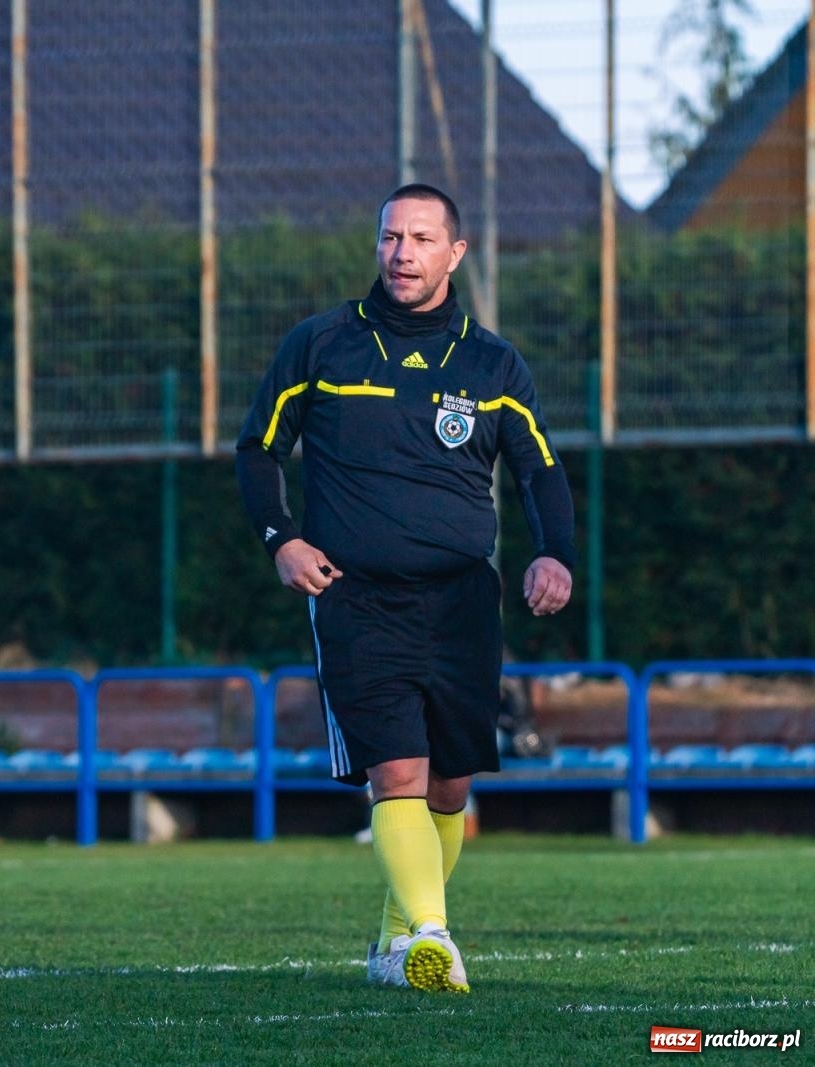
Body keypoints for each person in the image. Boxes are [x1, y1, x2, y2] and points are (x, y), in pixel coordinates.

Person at [234, 183, 574, 995]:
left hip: (462, 600)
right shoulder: (321, 344)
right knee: (398, 772)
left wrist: (554, 553)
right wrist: (282, 539)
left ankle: (396, 939)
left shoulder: (492, 362)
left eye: (422, 239)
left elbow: (539, 470)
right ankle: (431, 933)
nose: (402, 253)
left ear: (455, 254)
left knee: (450, 785)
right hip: (354, 594)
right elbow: (258, 448)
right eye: (391, 237)